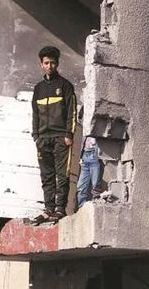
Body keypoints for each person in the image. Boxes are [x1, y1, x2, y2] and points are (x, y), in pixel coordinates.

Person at [30, 46, 76, 223]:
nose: (50, 66)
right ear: (41, 64)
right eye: (46, 63)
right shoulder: (38, 89)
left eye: (53, 63)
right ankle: (48, 209)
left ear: (57, 64)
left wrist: (69, 134)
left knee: (61, 174)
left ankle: (60, 209)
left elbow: (72, 111)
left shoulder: (65, 86)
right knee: (46, 175)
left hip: (61, 137)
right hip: (43, 139)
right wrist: (36, 135)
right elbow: (35, 113)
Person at [76, 135, 103, 208]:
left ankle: (96, 209)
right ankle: (82, 208)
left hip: (95, 154)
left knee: (96, 186)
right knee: (81, 187)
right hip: (85, 155)